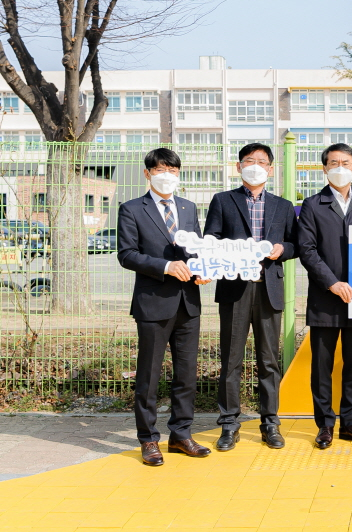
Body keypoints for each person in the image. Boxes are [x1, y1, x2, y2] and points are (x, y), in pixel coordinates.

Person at [117, 148, 212, 466]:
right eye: (160, 170)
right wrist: (166, 267)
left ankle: (181, 435)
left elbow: (196, 248)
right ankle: (148, 440)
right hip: (153, 303)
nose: (166, 175)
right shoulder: (131, 209)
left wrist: (201, 269)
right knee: (149, 375)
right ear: (147, 174)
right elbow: (127, 254)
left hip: (188, 302)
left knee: (186, 374)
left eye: (173, 170)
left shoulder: (188, 207)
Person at [203, 143, 298, 452]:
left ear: (270, 169)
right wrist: (229, 255)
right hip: (234, 287)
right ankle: (229, 424)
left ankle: (270, 422)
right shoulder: (223, 201)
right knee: (231, 359)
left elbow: (295, 242)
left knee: (269, 360)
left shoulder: (283, 206)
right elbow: (212, 240)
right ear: (238, 166)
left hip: (269, 288)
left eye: (261, 162)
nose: (255, 166)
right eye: (249, 161)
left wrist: (282, 249)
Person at [297, 142, 352, 450]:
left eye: (346, 162)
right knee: (322, 365)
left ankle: (350, 422)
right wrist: (332, 283)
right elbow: (307, 250)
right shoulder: (312, 205)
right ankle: (325, 425)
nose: (340, 168)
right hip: (325, 299)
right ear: (324, 168)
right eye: (334, 163)